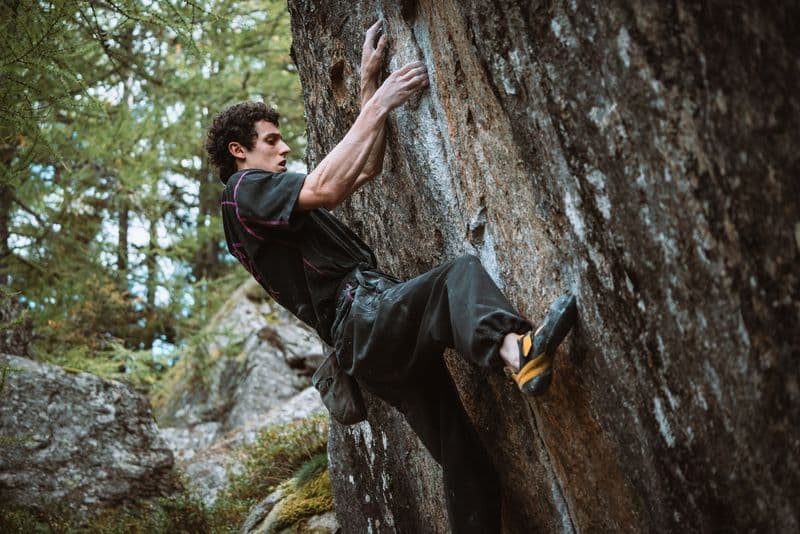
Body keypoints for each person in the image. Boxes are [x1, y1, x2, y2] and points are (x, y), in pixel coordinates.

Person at [205, 20, 577, 533]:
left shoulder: (262, 207)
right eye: (272, 140)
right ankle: (519, 353)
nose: (284, 148)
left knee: (465, 462)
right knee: (455, 279)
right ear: (238, 151)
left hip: (367, 348)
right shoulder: (246, 190)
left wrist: (365, 91)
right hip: (362, 319)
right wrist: (380, 102)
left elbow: (363, 171)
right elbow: (328, 188)